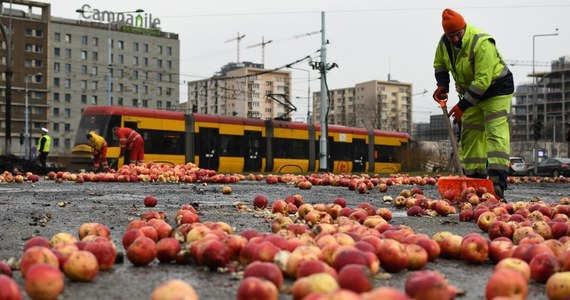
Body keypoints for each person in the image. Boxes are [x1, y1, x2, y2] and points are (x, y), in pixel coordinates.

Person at [432, 8, 514, 201]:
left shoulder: (481, 42)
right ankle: (474, 181)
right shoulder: (444, 43)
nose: (454, 39)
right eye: (450, 35)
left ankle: (497, 183)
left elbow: (483, 81)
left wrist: (462, 105)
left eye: (457, 34)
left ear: (464, 28)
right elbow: (439, 64)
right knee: (470, 135)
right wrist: (442, 84)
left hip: (495, 89)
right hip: (471, 92)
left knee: (495, 133)